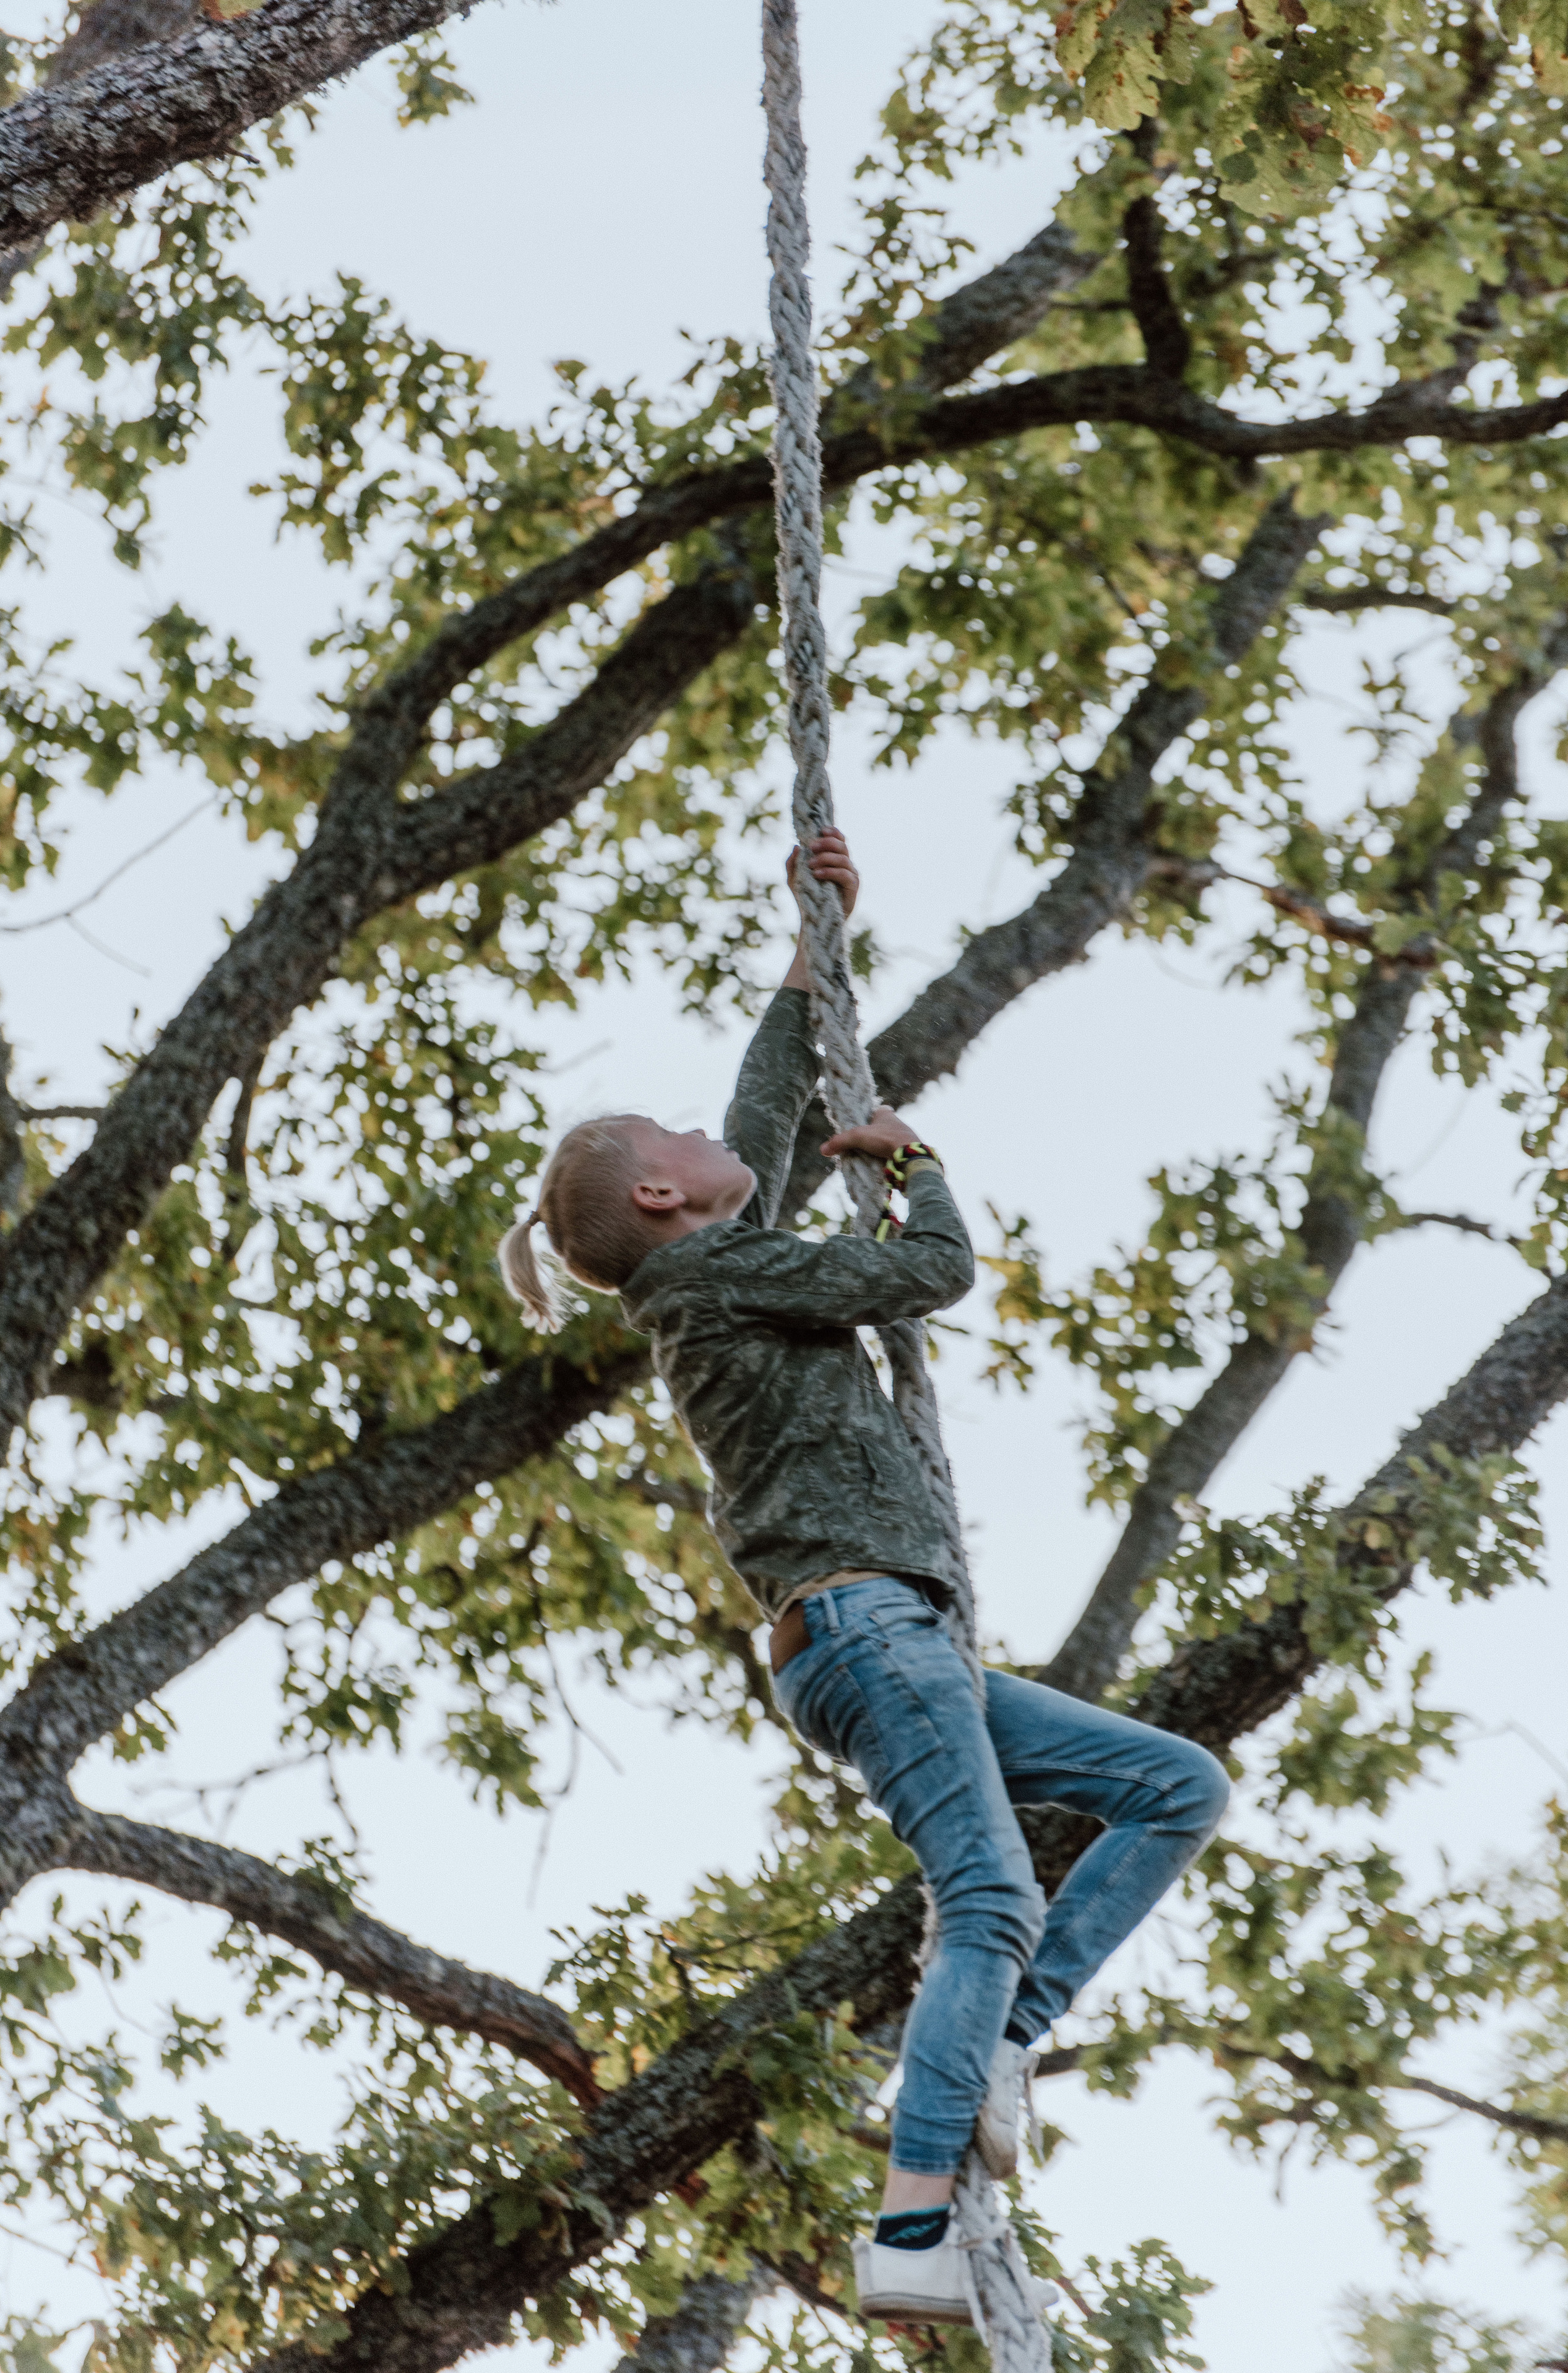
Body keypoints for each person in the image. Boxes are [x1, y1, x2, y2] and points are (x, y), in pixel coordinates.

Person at [501, 829, 1230, 2327]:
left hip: (893, 1641)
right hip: (863, 1624)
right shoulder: (708, 1277)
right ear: (655, 1197)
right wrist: (915, 1169)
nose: (712, 1139)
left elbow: (760, 1112)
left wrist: (811, 943)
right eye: (671, 1133)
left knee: (1174, 1785)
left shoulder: (711, 1258)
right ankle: (908, 2229)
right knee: (986, 1891)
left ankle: (1006, 2037)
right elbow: (921, 1276)